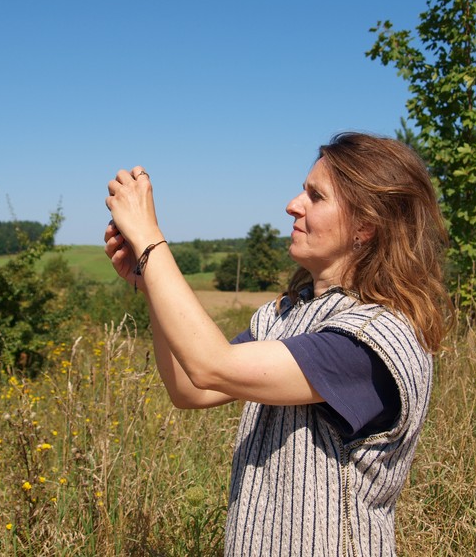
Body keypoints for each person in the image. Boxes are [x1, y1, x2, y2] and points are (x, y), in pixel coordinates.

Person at [104, 131, 450, 556]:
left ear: (365, 227)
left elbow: (211, 364)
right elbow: (191, 387)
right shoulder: (282, 317)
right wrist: (147, 279)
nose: (293, 205)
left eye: (316, 196)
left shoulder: (374, 338)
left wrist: (149, 238)